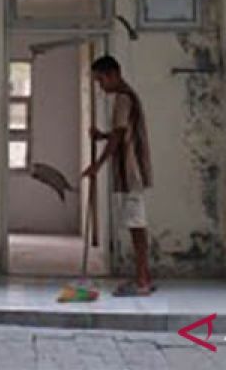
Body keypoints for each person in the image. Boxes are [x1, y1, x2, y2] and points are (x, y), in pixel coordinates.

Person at [82, 55, 155, 296]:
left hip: (130, 171)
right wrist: (102, 135)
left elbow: (118, 138)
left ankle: (142, 281)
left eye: (101, 80)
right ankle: (144, 277)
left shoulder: (123, 99)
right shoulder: (129, 97)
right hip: (132, 169)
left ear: (113, 74)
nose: (100, 86)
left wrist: (97, 165)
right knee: (136, 224)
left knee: (136, 225)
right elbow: (119, 134)